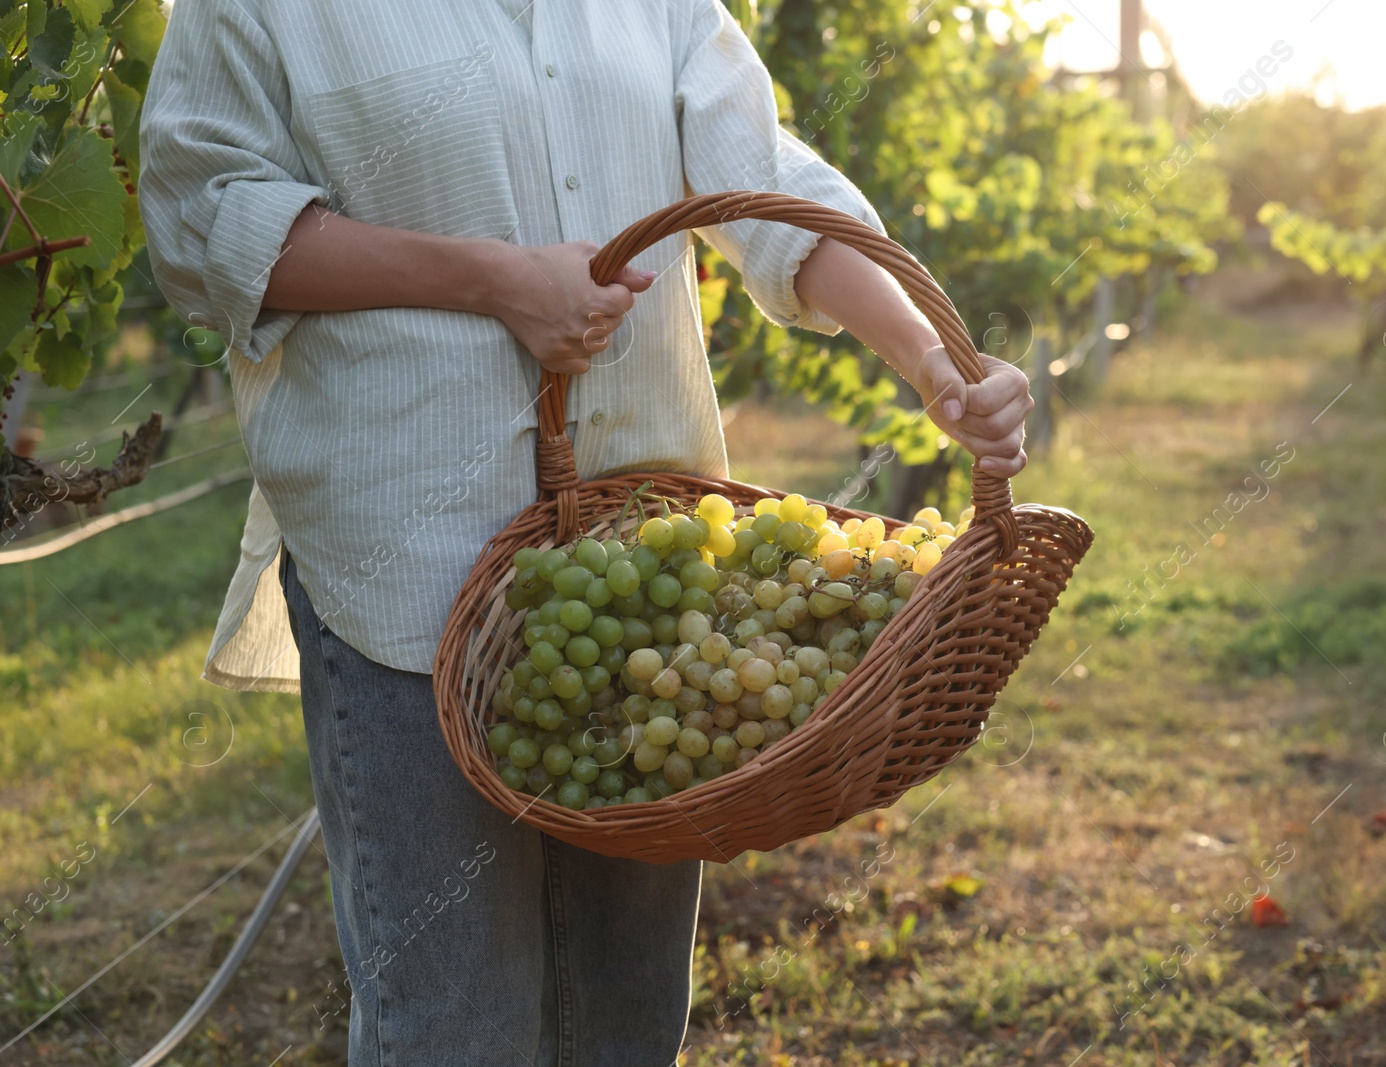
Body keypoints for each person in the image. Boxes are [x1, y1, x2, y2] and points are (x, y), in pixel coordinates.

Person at [139, 1, 1032, 1063]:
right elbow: (205, 220)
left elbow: (765, 181)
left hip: (643, 567)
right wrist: (494, 280)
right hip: (404, 562)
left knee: (626, 1014)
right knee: (454, 1024)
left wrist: (930, 359)